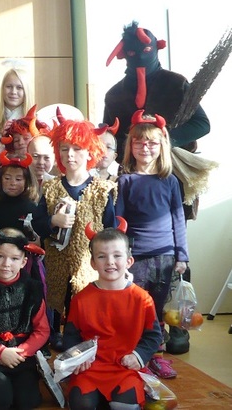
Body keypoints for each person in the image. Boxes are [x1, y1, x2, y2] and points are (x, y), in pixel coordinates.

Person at [31, 119, 117, 351]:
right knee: (56, 300)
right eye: (64, 149)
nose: (70, 155)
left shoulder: (102, 189)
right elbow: (38, 224)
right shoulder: (50, 188)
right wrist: (53, 222)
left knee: (86, 306)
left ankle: (82, 339)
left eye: (77, 148)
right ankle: (55, 335)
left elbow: (110, 229)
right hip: (56, 264)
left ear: (90, 151)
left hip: (89, 266)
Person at [116, 111, 188, 379]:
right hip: (135, 257)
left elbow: (178, 220)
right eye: (139, 142)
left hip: (165, 257)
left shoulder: (170, 181)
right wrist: (120, 256)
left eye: (151, 143)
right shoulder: (124, 181)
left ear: (161, 146)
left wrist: (182, 255)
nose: (145, 148)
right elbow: (118, 222)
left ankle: (156, 357)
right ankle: (135, 355)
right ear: (130, 146)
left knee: (157, 310)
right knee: (135, 308)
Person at [63, 224, 162, 410]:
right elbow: (70, 335)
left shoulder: (142, 299)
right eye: (102, 256)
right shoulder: (80, 299)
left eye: (117, 255)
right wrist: (78, 357)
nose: (110, 262)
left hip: (125, 368)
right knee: (81, 404)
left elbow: (154, 335)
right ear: (93, 263)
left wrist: (138, 356)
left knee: (124, 406)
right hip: (90, 368)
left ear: (129, 261)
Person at [103, 21, 210, 161]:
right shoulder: (114, 95)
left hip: (175, 165)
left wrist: (166, 139)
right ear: (125, 54)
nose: (140, 57)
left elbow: (202, 124)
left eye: (146, 50)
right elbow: (109, 137)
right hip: (133, 168)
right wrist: (132, 154)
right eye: (132, 52)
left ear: (156, 48)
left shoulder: (176, 83)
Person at [0, 229, 49, 410]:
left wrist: (22, 352)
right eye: (0, 256)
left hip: (23, 357)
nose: (6, 264)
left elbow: (42, 330)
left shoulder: (33, 290)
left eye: (14, 259)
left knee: (27, 401)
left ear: (23, 262)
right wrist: (0, 352)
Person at [0, 66, 34, 134]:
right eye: (9, 86)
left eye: (19, 87)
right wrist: (1, 136)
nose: (13, 92)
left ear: (26, 92)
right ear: (2, 89)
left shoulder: (35, 122)